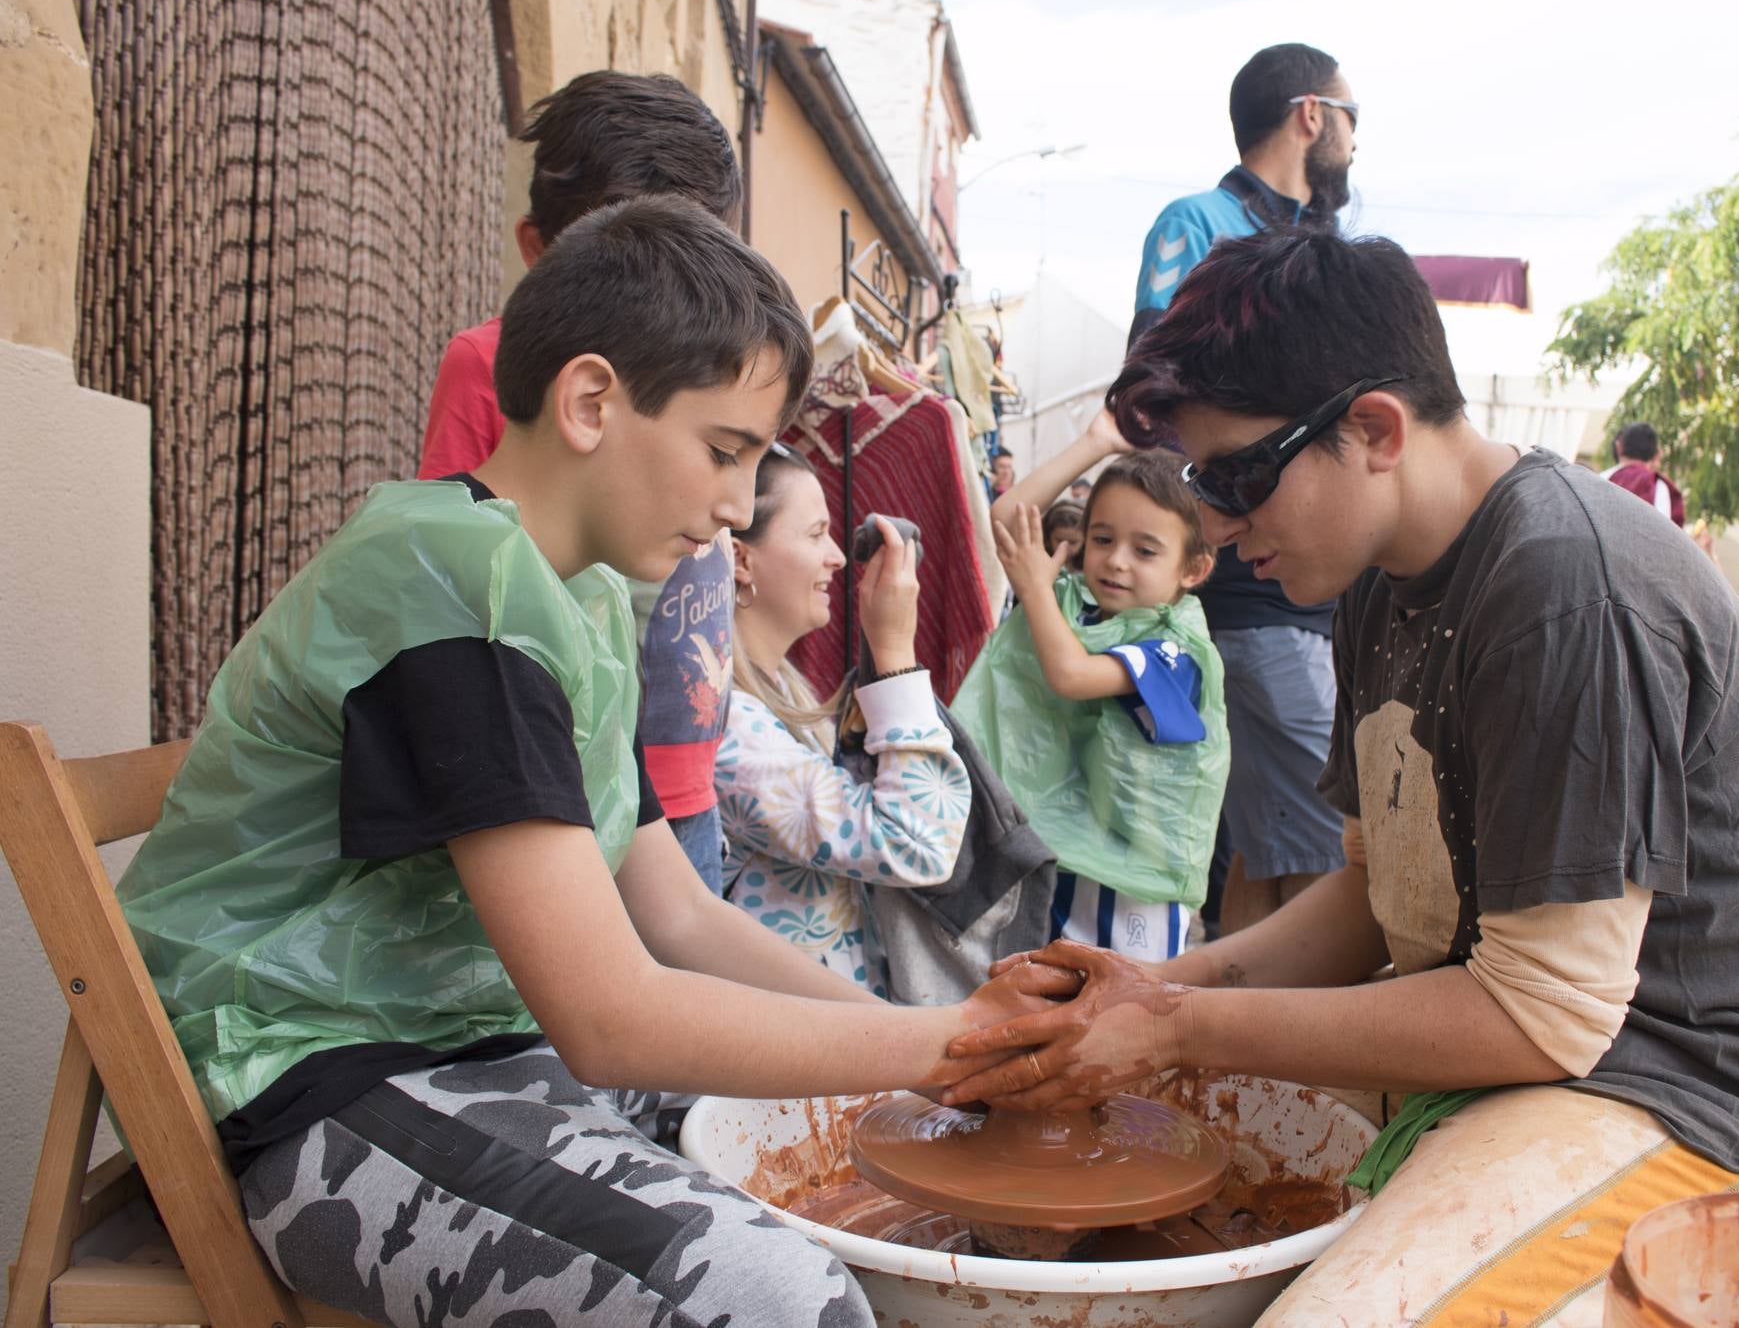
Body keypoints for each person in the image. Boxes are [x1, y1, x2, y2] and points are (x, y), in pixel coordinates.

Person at [114, 198, 1055, 1327]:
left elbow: (681, 921)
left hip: (468, 1046)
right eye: (725, 451)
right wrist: (941, 1046)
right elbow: (608, 1016)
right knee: (774, 1295)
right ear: (593, 400)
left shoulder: (587, 603)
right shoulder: (452, 591)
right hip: (315, 1087)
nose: (733, 506)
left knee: (850, 1158)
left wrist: (946, 1053)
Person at [946, 228, 1739, 1327]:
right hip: (1505, 1065)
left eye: (1237, 477)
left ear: (1372, 429)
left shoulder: (1565, 585)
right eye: (1200, 481)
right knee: (1124, 1160)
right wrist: (1162, 991)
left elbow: (1544, 1014)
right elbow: (1380, 897)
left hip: (1673, 1097)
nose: (1219, 524)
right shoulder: (1375, 585)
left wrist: (1179, 1029)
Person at [416, 70, 743, 893]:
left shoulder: (720, 375)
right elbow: (450, 569)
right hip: (562, 778)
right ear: (538, 251)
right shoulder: (484, 365)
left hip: (680, 776)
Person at [1131, 42, 1356, 934]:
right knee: (1325, 853)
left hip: (1326, 593)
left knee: (1270, 845)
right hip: (1253, 592)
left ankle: (1230, 1047)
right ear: (1311, 113)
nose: (1351, 140)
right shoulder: (1197, 222)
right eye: (1349, 117)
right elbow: (1151, 402)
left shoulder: (1331, 248)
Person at [962, 428, 1228, 963]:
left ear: (1194, 569)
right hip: (1069, 855)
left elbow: (1074, 676)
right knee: (1051, 993)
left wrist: (1035, 590)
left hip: (1137, 881)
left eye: (1145, 550)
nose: (1116, 561)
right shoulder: (1078, 606)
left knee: (1126, 1012)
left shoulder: (1176, 648)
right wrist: (1095, 442)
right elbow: (1006, 520)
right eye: (1103, 540)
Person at [715, 444, 971, 989]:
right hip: (785, 1048)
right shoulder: (729, 728)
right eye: (815, 535)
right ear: (740, 559)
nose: (835, 556)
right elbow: (917, 844)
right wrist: (895, 649)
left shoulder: (780, 687)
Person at [1603, 421, 1685, 527]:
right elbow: (1665, 534)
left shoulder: (1599, 478)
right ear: (1656, 453)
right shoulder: (1657, 485)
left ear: (1619, 447)